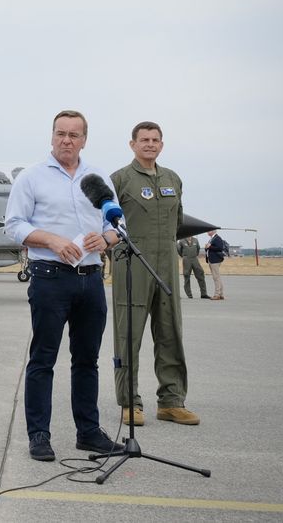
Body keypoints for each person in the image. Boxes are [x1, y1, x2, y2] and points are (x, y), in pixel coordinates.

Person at [5, 110, 122, 462]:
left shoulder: (97, 177)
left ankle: (88, 432)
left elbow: (118, 224)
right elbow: (13, 225)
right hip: (50, 277)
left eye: (74, 135)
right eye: (60, 133)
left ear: (84, 139)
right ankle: (39, 435)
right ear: (52, 136)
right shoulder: (32, 177)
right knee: (43, 359)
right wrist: (53, 241)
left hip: (91, 279)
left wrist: (107, 239)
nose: (66, 140)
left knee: (87, 360)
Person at [110, 122, 200, 427]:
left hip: (166, 266)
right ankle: (129, 403)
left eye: (155, 140)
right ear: (132, 144)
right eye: (144, 139)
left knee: (170, 332)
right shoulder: (119, 180)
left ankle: (172, 401)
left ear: (161, 144)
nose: (150, 144)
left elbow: (177, 223)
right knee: (128, 336)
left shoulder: (173, 179)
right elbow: (107, 225)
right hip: (131, 266)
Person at [204, 230, 228, 299]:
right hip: (211, 260)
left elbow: (220, 248)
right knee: (217, 277)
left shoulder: (217, 238)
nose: (207, 232)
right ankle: (221, 294)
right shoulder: (212, 239)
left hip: (215, 260)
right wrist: (207, 247)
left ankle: (217, 294)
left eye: (209, 231)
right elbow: (210, 249)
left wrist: (210, 246)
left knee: (216, 277)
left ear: (213, 231)